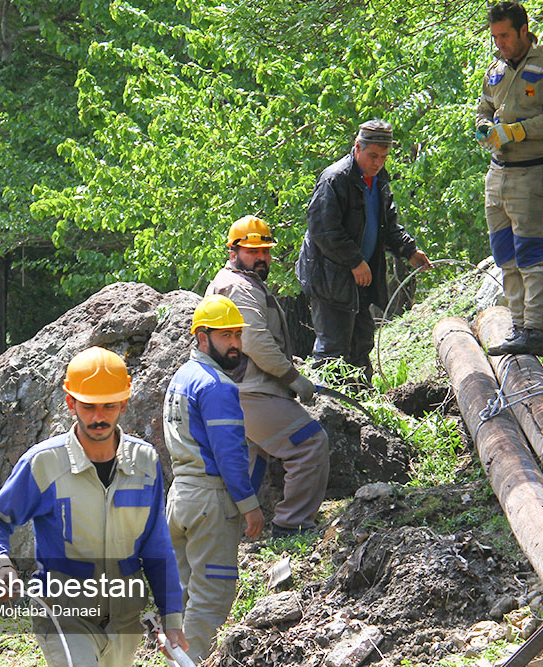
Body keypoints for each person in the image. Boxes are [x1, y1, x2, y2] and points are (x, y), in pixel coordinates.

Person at [0, 346, 187, 667]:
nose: (99, 417)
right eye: (88, 406)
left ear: (124, 403)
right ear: (70, 402)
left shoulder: (145, 462)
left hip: (124, 618)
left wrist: (172, 615)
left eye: (109, 406)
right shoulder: (44, 463)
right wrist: (0, 563)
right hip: (63, 614)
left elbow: (157, 546)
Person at [207, 215, 329, 537]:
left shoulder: (239, 283)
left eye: (265, 251)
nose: (261, 257)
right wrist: (293, 378)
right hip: (250, 392)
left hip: (237, 391)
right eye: (252, 251)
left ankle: (228, 533)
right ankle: (292, 525)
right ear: (233, 252)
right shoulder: (238, 286)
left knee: (250, 466)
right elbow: (255, 341)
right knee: (310, 444)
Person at [163, 294, 268, 662]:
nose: (235, 343)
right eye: (226, 336)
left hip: (179, 500)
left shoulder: (181, 377)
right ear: (202, 337)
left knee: (183, 598)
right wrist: (250, 505)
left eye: (238, 334)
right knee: (211, 600)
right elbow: (229, 456)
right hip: (210, 502)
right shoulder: (218, 386)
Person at [475, 1, 543, 356]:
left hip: (533, 171)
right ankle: (517, 327)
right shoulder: (495, 69)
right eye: (494, 37)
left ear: (523, 30)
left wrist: (514, 132)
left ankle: (535, 330)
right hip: (497, 173)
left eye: (504, 36)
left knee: (531, 255)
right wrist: (485, 127)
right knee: (506, 255)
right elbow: (483, 107)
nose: (499, 43)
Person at [296, 119, 431, 380]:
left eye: (383, 157)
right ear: (357, 147)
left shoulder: (379, 181)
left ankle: (362, 404)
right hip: (329, 279)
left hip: (360, 281)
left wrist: (409, 250)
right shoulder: (334, 179)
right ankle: (327, 407)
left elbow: (387, 227)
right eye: (372, 156)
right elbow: (323, 230)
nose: (377, 162)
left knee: (361, 344)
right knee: (332, 349)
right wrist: (355, 261)